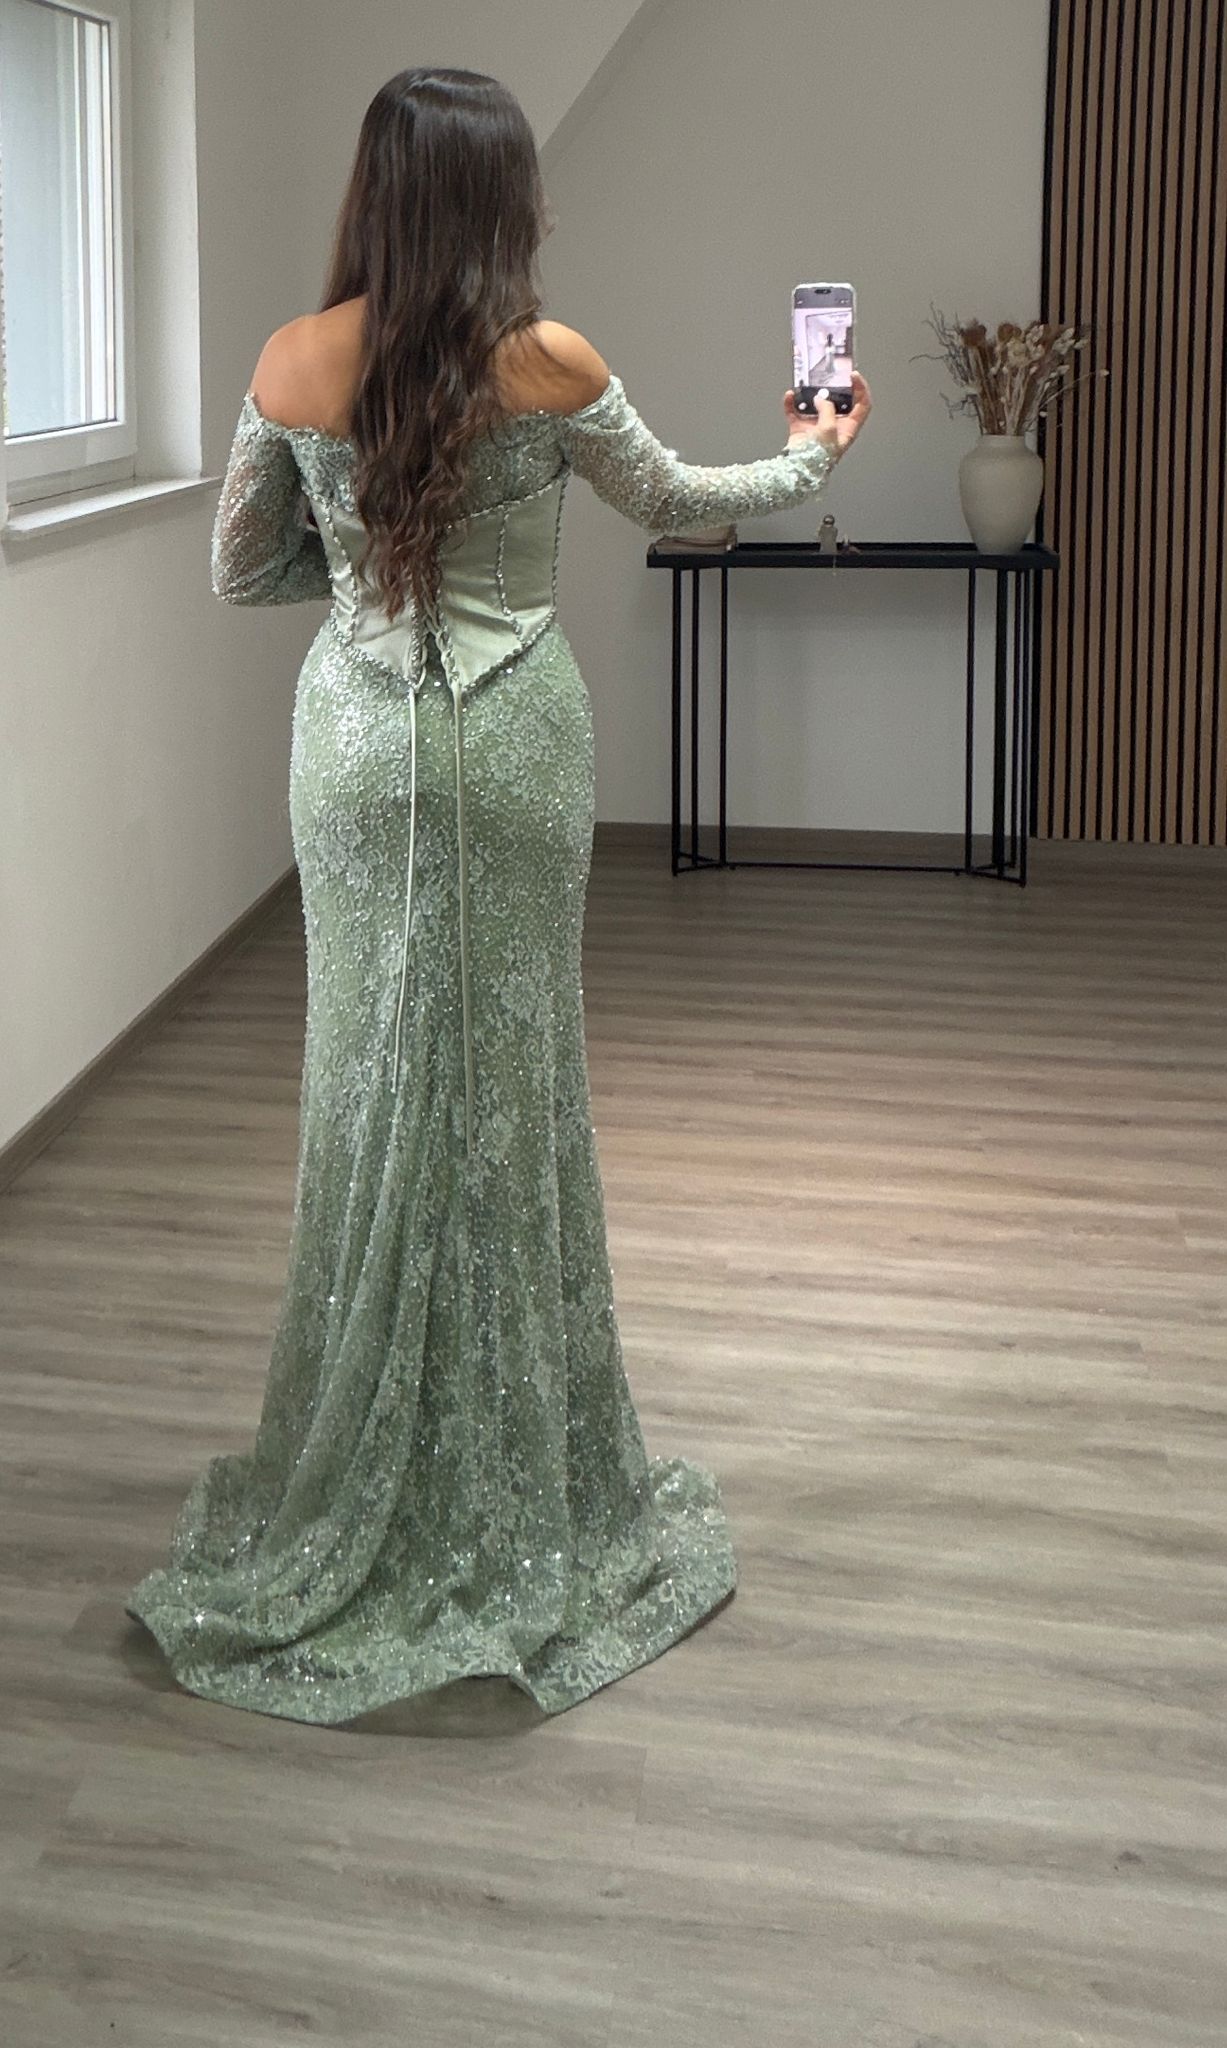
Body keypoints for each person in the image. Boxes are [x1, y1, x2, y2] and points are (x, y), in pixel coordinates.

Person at [124, 66, 871, 1725]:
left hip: (356, 752)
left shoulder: (292, 362)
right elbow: (679, 504)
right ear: (503, 200)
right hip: (519, 741)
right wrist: (808, 455)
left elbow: (242, 566)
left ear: (375, 192)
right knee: (513, 1083)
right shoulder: (554, 364)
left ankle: (354, 1455)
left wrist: (361, 567)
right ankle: (517, 1467)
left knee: (367, 1081)